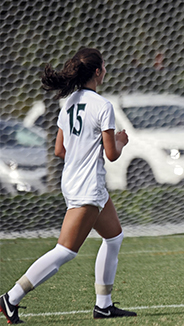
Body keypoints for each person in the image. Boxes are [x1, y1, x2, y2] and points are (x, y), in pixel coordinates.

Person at [0, 48, 136, 324]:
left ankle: (104, 305)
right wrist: (121, 139)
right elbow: (112, 155)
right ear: (98, 72)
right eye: (105, 67)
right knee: (66, 250)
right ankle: (11, 298)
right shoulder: (102, 106)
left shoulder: (69, 103)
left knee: (114, 237)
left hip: (73, 181)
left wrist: (86, 146)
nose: (106, 70)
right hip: (89, 186)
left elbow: (59, 150)